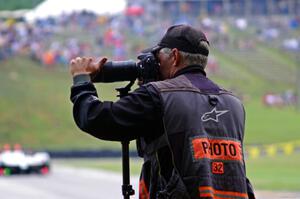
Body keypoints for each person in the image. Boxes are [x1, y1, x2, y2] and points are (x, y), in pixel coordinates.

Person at [69, 24, 255, 199]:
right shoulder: (234, 104)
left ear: (174, 56)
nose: (155, 64)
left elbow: (95, 118)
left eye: (158, 58)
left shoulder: (159, 95)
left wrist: (81, 81)